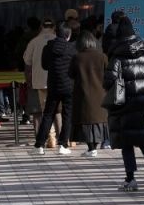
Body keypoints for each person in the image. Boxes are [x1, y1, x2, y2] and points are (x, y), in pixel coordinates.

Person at [105, 17, 144, 191]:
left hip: (125, 105)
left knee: (127, 143)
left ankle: (131, 179)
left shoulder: (117, 56)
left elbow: (109, 81)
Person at [31, 20, 77, 155]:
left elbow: (44, 66)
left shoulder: (48, 47)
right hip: (68, 86)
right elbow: (75, 68)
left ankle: (39, 146)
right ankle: (63, 145)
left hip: (53, 85)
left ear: (56, 33)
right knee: (67, 115)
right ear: (68, 35)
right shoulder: (72, 49)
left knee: (48, 114)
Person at [69, 32, 109, 158]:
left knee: (85, 122)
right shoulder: (102, 57)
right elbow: (109, 74)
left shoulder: (77, 58)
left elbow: (70, 74)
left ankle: (91, 148)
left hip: (82, 94)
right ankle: (94, 147)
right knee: (98, 121)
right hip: (100, 94)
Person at [23, 19, 59, 147]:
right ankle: (58, 139)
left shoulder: (34, 41)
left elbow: (27, 62)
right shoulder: (59, 40)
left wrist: (28, 79)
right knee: (57, 111)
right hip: (56, 81)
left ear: (41, 27)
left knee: (37, 112)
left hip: (37, 81)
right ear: (54, 27)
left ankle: (40, 140)